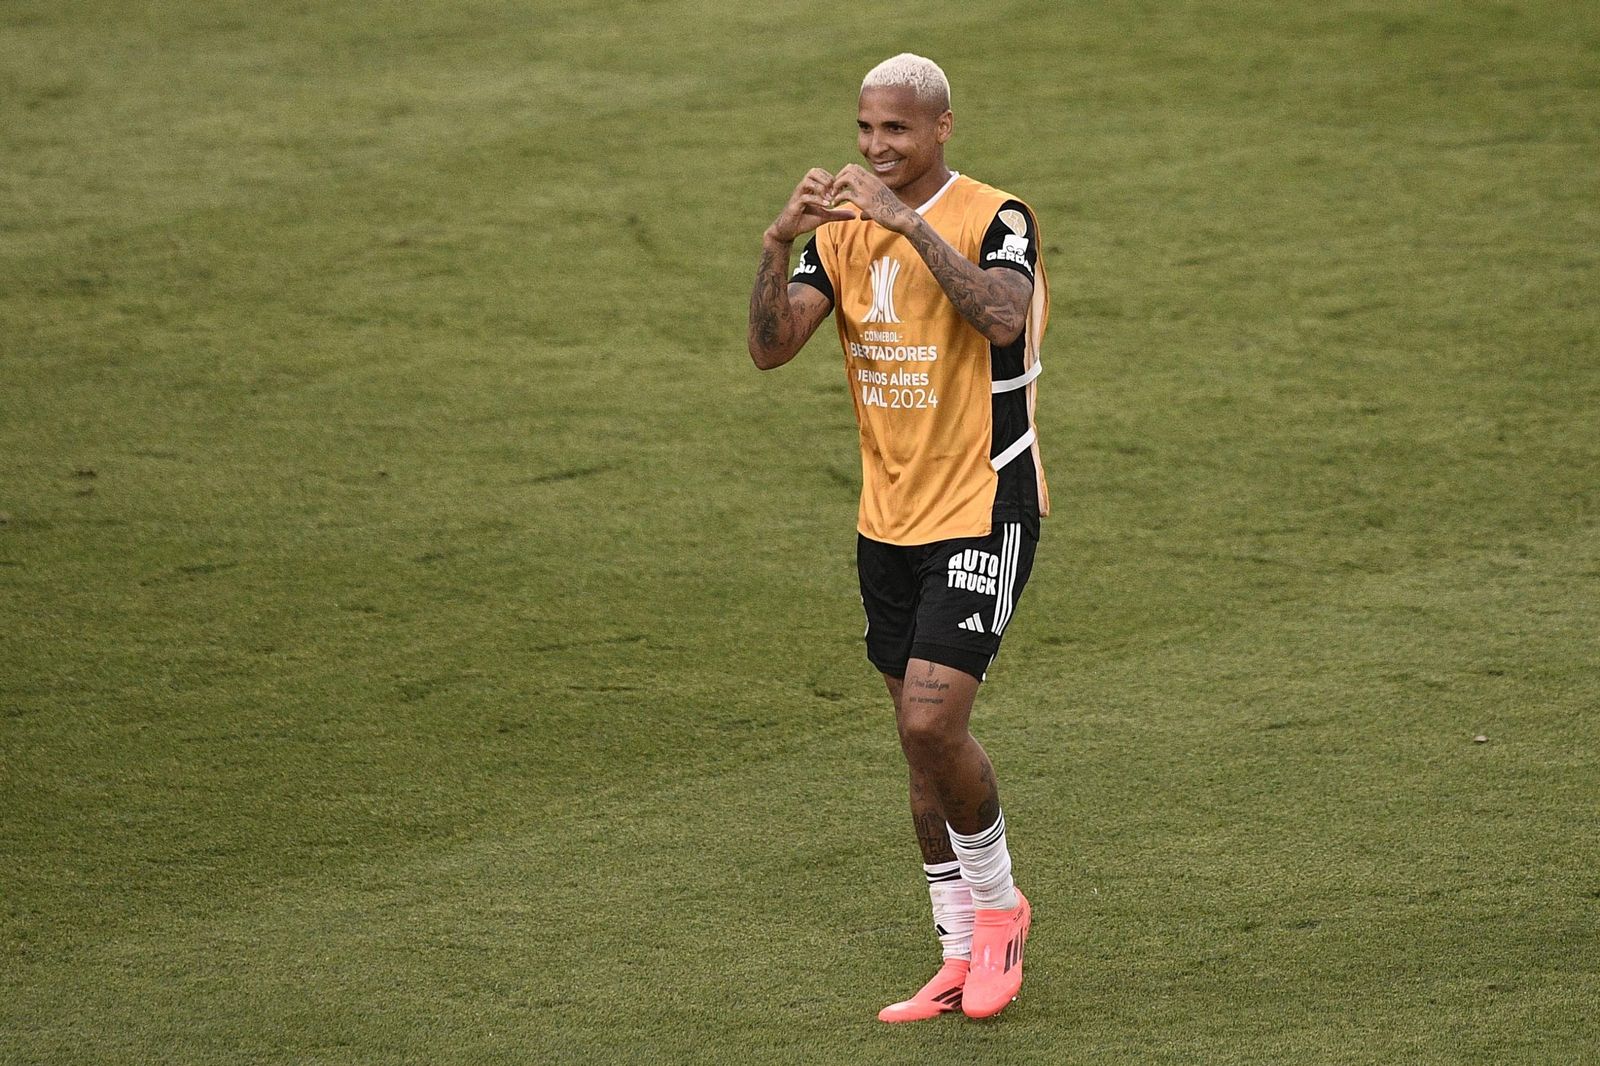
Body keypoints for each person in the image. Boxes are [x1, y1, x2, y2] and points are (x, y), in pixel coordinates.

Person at [746, 53, 1049, 1022]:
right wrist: (778, 241)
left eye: (897, 130)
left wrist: (908, 223)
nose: (876, 147)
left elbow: (1002, 318)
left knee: (931, 724)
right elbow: (771, 347)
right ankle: (956, 953)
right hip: (887, 519)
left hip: (984, 503)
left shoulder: (996, 216)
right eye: (865, 128)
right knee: (918, 751)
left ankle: (1000, 913)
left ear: (941, 128)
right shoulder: (838, 231)